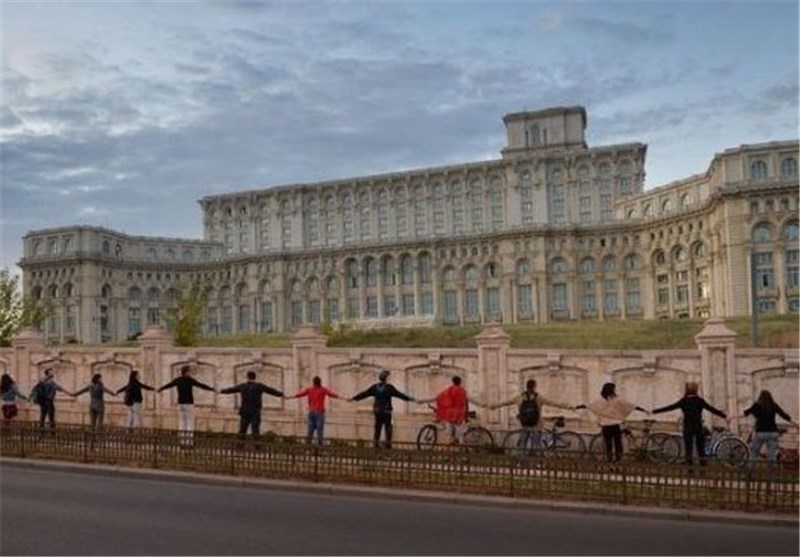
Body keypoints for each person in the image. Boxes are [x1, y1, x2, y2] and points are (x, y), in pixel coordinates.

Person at [489, 379, 576, 455]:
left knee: (522, 445)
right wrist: (568, 407)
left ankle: (520, 463)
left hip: (524, 425)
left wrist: (494, 406)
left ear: (526, 387)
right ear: (534, 387)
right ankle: (539, 464)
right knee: (537, 445)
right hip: (536, 425)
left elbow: (506, 402)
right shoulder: (538, 398)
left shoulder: (519, 398)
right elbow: (553, 403)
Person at [652, 381, 727, 467]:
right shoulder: (699, 400)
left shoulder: (684, 401)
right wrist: (724, 416)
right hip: (698, 426)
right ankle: (703, 467)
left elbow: (670, 407)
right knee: (700, 448)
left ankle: (690, 468)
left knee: (688, 449)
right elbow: (711, 409)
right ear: (696, 390)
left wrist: (654, 411)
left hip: (687, 427)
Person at [575, 382, 649, 462]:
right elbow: (630, 406)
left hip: (605, 426)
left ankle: (609, 459)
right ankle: (618, 459)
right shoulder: (617, 400)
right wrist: (644, 410)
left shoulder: (600, 400)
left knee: (608, 443)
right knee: (618, 443)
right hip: (616, 425)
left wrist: (576, 407)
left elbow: (589, 406)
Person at [351, 369, 415, 449]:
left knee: (378, 428)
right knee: (388, 428)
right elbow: (400, 395)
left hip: (377, 411)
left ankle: (376, 445)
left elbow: (364, 394)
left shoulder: (375, 387)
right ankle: (388, 445)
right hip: (386, 411)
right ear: (386, 378)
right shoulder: (389, 388)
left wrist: (354, 398)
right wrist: (412, 399)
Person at [158, 365, 216, 446]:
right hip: (189, 403)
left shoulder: (178, 380)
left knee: (181, 423)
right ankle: (189, 443)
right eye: (189, 371)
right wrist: (212, 389)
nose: (190, 373)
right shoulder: (190, 380)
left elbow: (169, 385)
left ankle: (182, 442)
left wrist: (161, 388)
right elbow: (201, 385)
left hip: (181, 404)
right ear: (186, 372)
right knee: (189, 423)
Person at [220, 371, 284, 444]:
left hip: (245, 412)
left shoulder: (243, 386)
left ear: (247, 377)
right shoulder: (259, 386)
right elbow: (270, 391)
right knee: (255, 431)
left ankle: (239, 446)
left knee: (242, 430)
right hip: (255, 412)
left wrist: (220, 391)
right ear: (255, 377)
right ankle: (257, 448)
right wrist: (281, 395)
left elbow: (231, 390)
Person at [417, 376, 482, 445]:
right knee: (461, 437)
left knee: (449, 437)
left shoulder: (448, 391)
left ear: (453, 382)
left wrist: (422, 401)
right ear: (460, 382)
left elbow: (437, 398)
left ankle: (451, 447)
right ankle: (461, 448)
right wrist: (485, 405)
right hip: (459, 415)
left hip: (450, 415)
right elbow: (472, 400)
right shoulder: (462, 392)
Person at [743, 390, 798, 470]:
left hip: (760, 433)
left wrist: (732, 417)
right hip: (772, 432)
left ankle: (750, 470)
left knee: (754, 452)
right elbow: (783, 415)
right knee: (771, 454)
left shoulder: (757, 405)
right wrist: (795, 423)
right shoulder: (773, 405)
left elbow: (746, 413)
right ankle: (772, 473)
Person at [291, 376, 341, 446]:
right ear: (320, 382)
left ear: (313, 383)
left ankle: (308, 447)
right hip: (319, 413)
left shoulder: (309, 390)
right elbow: (332, 394)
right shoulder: (323, 390)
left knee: (310, 431)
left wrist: (290, 397)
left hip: (311, 412)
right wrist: (342, 397)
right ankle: (320, 448)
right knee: (319, 432)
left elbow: (300, 394)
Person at [30, 368, 73, 433]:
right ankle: (52, 432)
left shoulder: (42, 381)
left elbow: (34, 389)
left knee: (42, 417)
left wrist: (30, 397)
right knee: (51, 417)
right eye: (51, 373)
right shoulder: (51, 382)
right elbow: (59, 388)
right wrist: (70, 393)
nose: (52, 373)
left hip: (43, 402)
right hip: (49, 402)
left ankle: (41, 432)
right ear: (47, 374)